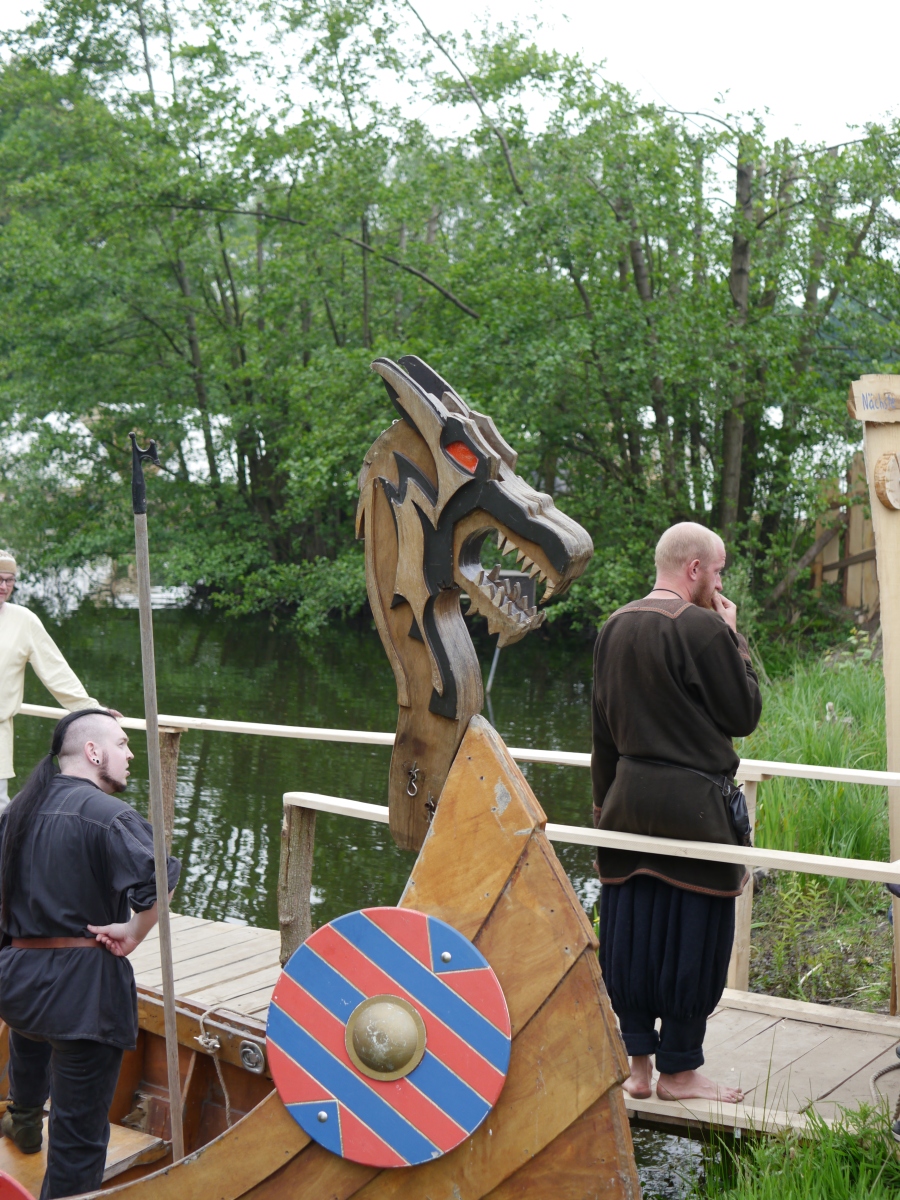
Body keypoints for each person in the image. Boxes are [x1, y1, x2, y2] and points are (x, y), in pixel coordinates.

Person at [592, 521, 762, 1103]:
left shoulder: (613, 626)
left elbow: (602, 735)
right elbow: (743, 715)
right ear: (694, 569)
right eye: (718, 571)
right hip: (695, 812)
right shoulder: (704, 628)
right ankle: (680, 1073)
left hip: (626, 805)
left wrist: (603, 811)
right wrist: (733, 638)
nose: (721, 584)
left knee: (632, 932)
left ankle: (639, 1068)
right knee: (694, 933)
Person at [0, 709, 180, 1199]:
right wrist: (134, 931)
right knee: (78, 1145)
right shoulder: (109, 815)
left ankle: (23, 1119)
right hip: (81, 997)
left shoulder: (15, 811)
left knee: (34, 1029)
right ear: (93, 752)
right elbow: (159, 879)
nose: (130, 755)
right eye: (122, 744)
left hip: (17, 988)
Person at [0, 550, 115, 811]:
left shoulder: (24, 621)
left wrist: (92, 710)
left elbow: (56, 671)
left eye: (9, 580)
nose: (4, 586)